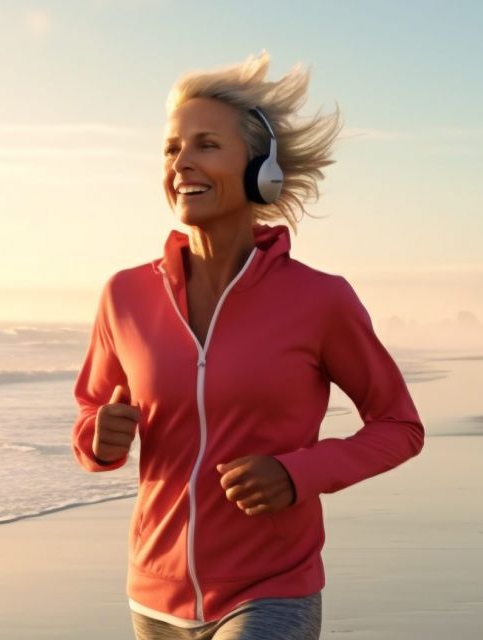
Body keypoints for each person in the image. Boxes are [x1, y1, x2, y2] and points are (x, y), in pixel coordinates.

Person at [70, 50, 426, 640]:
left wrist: (298, 473)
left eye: (206, 144)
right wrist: (98, 438)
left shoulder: (319, 300)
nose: (181, 161)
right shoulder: (124, 296)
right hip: (153, 599)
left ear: (260, 166)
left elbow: (399, 425)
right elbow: (90, 416)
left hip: (271, 589)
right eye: (170, 148)